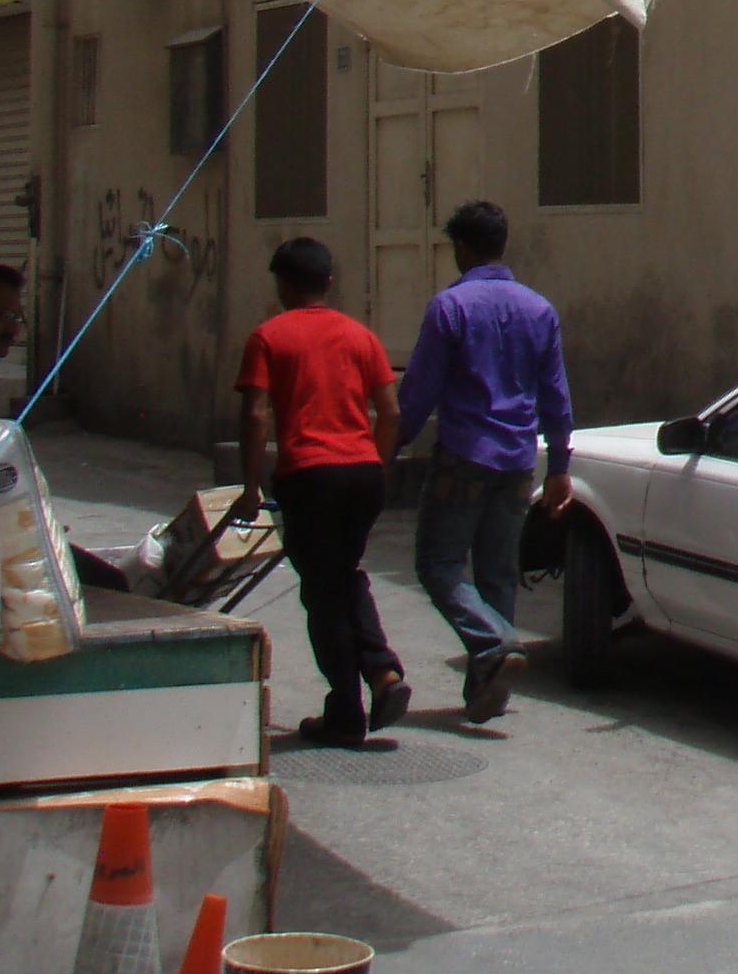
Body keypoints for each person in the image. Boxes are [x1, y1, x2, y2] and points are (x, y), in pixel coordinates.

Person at [398, 200, 574, 723]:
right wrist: (560, 464)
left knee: (439, 564)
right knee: (497, 571)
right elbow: (556, 395)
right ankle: (485, 690)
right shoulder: (539, 310)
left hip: (464, 456)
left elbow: (418, 393)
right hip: (519, 459)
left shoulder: (450, 307)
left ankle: (497, 644)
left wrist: (387, 448)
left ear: (463, 248)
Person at [229, 236, 408, 746]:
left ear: (282, 284)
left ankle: (348, 711)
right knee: (342, 578)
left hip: (309, 477)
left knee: (322, 593)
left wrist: (248, 486)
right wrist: (378, 462)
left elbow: (255, 412)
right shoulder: (360, 336)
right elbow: (391, 412)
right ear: (329, 283)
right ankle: (380, 672)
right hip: (362, 473)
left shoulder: (267, 337)